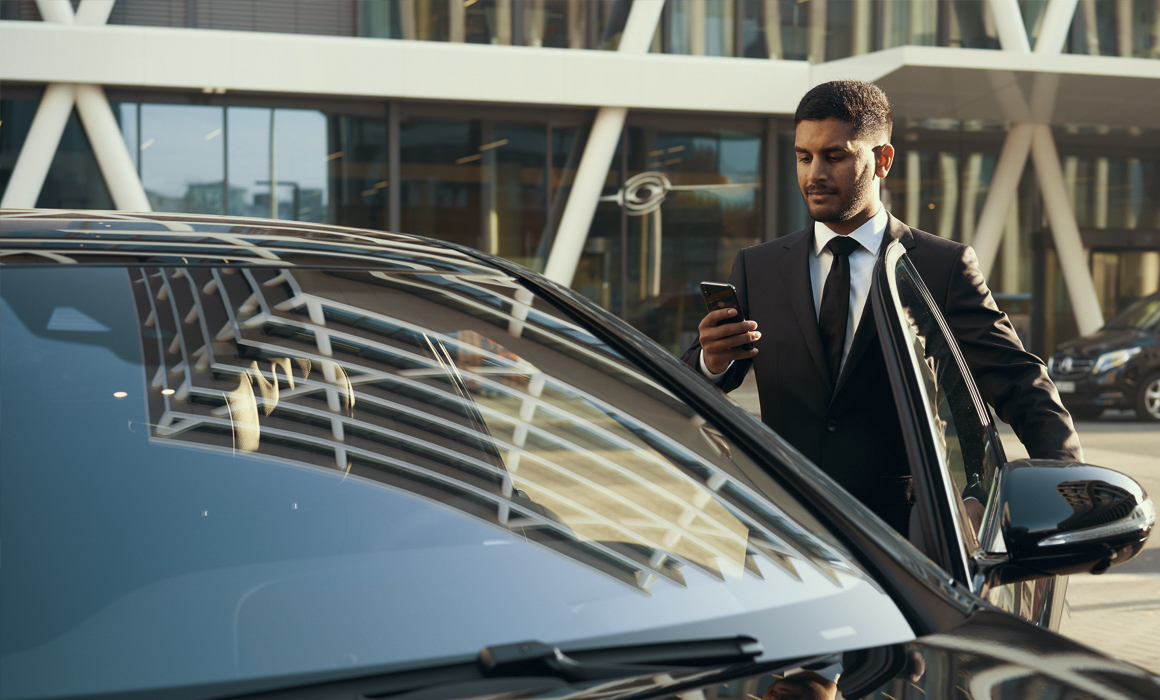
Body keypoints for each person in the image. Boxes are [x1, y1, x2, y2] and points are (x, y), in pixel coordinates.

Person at [680, 80, 1082, 536]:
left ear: (883, 161)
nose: (815, 174)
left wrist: (1063, 489)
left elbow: (1020, 383)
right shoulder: (758, 267)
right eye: (803, 156)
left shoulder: (942, 266)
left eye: (835, 156)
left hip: (904, 539)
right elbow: (695, 383)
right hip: (785, 529)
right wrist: (711, 362)